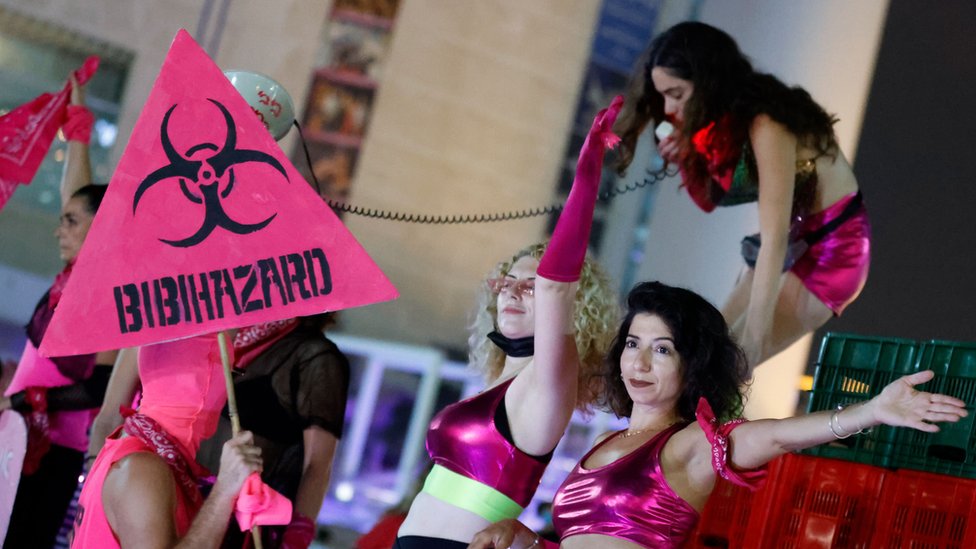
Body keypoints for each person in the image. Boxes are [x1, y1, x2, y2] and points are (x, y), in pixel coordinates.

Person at [468, 281, 969, 549]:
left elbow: (773, 438)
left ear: (693, 366)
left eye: (662, 350)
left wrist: (872, 411)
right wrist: (522, 537)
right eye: (634, 345)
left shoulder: (686, 446)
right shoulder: (602, 447)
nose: (639, 363)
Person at [393, 98, 623, 549]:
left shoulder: (550, 379)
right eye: (510, 281)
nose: (514, 292)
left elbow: (558, 284)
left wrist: (588, 169)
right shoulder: (502, 380)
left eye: (531, 285)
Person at [613, 22, 871, 369]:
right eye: (663, 97)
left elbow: (775, 237)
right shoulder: (728, 125)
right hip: (792, 244)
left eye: (676, 94)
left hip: (830, 250)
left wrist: (752, 344)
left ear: (706, 82)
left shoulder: (767, 122)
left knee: (719, 365)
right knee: (695, 357)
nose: (670, 109)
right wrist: (689, 156)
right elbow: (712, 200)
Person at [1, 76, 119, 549]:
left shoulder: (111, 297)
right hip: (19, 433)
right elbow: (81, 197)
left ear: (101, 230)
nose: (59, 230)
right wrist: (78, 123)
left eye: (70, 223)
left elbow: (97, 387)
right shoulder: (72, 277)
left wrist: (19, 401)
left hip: (51, 455)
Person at [69, 334, 264, 549]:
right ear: (202, 382)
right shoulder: (142, 467)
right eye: (226, 369)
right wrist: (223, 492)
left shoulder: (138, 450)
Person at [203, 313, 350, 549]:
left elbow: (318, 466)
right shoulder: (219, 337)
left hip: (247, 525)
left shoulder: (316, 357)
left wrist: (297, 535)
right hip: (191, 504)